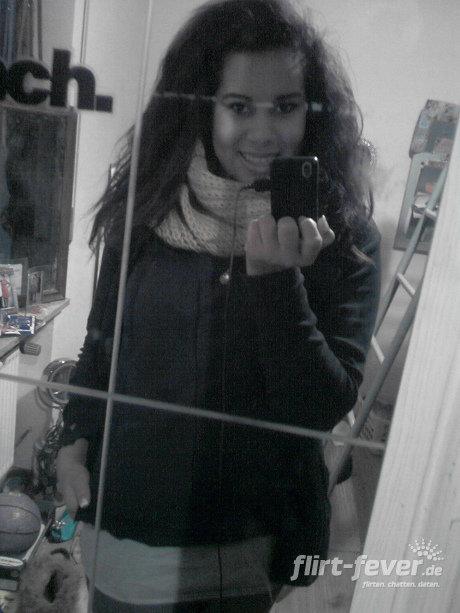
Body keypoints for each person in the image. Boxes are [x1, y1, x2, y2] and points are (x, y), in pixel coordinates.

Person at [56, 0, 381, 610]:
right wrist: (74, 437)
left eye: (285, 106)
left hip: (240, 554)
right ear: (204, 107)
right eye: (239, 107)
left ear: (311, 111)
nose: (264, 133)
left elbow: (316, 410)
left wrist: (275, 281)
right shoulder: (151, 205)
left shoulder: (341, 237)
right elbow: (104, 344)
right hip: (117, 533)